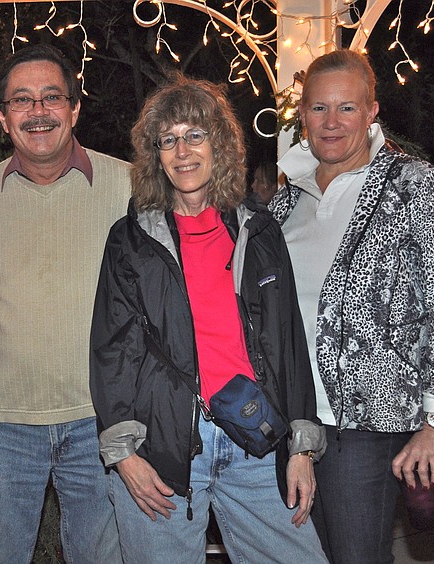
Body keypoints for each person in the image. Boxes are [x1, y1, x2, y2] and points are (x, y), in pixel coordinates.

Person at [89, 74, 328, 563]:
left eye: (195, 135)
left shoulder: (258, 231)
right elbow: (114, 348)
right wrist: (123, 454)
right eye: (169, 140)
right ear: (155, 154)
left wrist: (301, 447)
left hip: (254, 443)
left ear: (218, 144)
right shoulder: (131, 240)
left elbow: (287, 341)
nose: (183, 151)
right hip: (164, 447)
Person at [270, 50, 434, 563]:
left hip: (365, 427)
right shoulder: (284, 201)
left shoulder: (415, 187)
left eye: (347, 108)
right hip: (291, 422)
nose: (332, 122)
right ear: (303, 117)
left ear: (372, 112)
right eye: (319, 109)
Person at [0, 44, 130, 564]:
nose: (39, 111)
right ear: (3, 117)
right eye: (22, 100)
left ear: (74, 109)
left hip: (102, 416)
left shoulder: (128, 187)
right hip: (3, 421)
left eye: (52, 97)